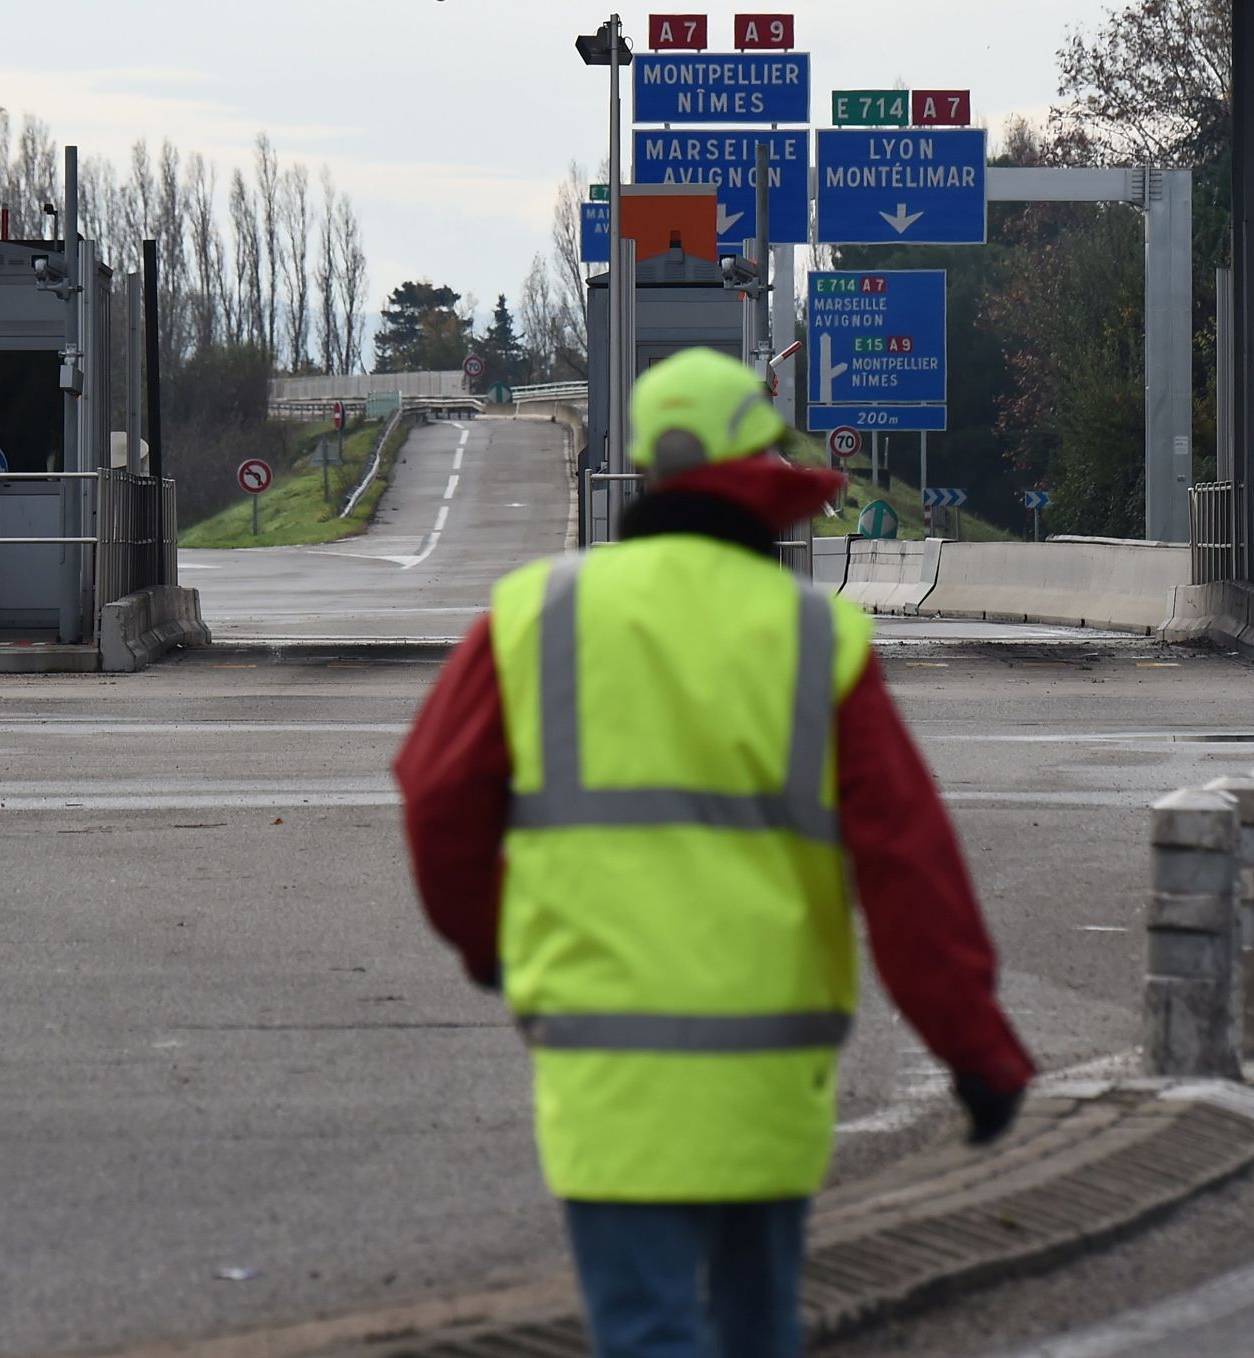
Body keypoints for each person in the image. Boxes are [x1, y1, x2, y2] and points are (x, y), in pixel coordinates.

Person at [392, 347, 1034, 1358]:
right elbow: (910, 865)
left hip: (605, 1073)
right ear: (762, 475)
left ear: (643, 469)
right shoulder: (816, 639)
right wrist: (978, 1051)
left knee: (645, 1332)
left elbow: (436, 796)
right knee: (756, 1330)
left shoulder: (535, 616)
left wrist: (492, 947)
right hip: (766, 1081)